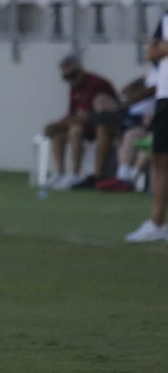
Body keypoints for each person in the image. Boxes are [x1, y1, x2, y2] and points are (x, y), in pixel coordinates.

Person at [42, 55, 120, 190]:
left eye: (71, 77)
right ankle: (59, 173)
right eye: (66, 78)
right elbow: (72, 114)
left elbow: (98, 115)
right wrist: (56, 125)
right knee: (58, 133)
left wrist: (70, 122)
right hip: (84, 126)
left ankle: (75, 174)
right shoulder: (74, 88)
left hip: (101, 127)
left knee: (75, 131)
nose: (70, 82)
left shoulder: (97, 84)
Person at [126, 14, 168, 241]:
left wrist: (164, 48)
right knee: (160, 158)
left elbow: (159, 50)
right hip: (165, 96)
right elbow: (151, 53)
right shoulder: (166, 19)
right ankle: (157, 222)